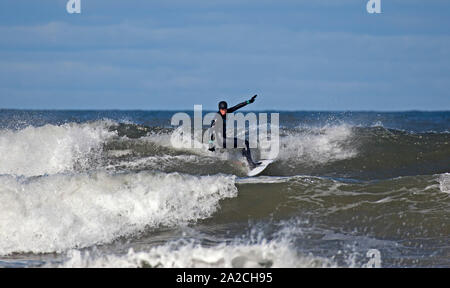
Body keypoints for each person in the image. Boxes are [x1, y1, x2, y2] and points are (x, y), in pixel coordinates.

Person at [208, 95, 261, 168]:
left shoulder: (226, 112)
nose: (224, 111)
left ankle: (245, 161)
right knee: (245, 143)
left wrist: (248, 101)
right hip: (222, 141)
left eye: (225, 109)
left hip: (224, 139)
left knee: (243, 145)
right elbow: (211, 129)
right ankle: (251, 164)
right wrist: (210, 144)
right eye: (222, 109)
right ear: (219, 109)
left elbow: (237, 106)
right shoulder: (217, 117)